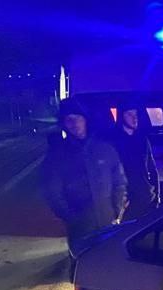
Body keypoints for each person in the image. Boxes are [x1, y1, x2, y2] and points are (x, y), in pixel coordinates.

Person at [42, 97, 127, 251]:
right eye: (69, 120)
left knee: (109, 259)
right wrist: (70, 217)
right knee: (82, 261)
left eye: (78, 118)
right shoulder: (57, 155)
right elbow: (52, 191)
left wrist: (117, 211)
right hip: (80, 227)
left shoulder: (105, 149)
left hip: (108, 222)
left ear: (86, 120)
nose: (74, 124)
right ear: (64, 124)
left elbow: (119, 182)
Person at [111, 101, 159, 220]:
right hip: (127, 203)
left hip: (146, 198)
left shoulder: (142, 140)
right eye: (130, 114)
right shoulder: (114, 143)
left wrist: (156, 196)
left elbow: (152, 168)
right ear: (121, 116)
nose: (134, 118)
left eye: (136, 114)